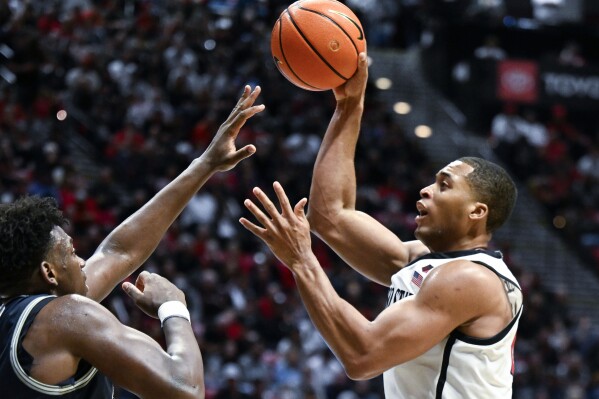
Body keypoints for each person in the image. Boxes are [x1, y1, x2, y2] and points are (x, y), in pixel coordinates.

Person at [239, 54, 523, 398]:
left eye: (444, 185)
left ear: (477, 212)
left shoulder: (469, 279)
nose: (426, 190)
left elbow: (363, 356)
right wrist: (349, 104)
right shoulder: (423, 261)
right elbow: (331, 216)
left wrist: (302, 260)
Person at [0, 85, 265, 399]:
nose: (82, 261)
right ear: (49, 272)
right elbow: (185, 389)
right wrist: (173, 308)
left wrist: (205, 164)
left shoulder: (21, 315)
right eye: (70, 253)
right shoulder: (65, 316)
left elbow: (119, 251)